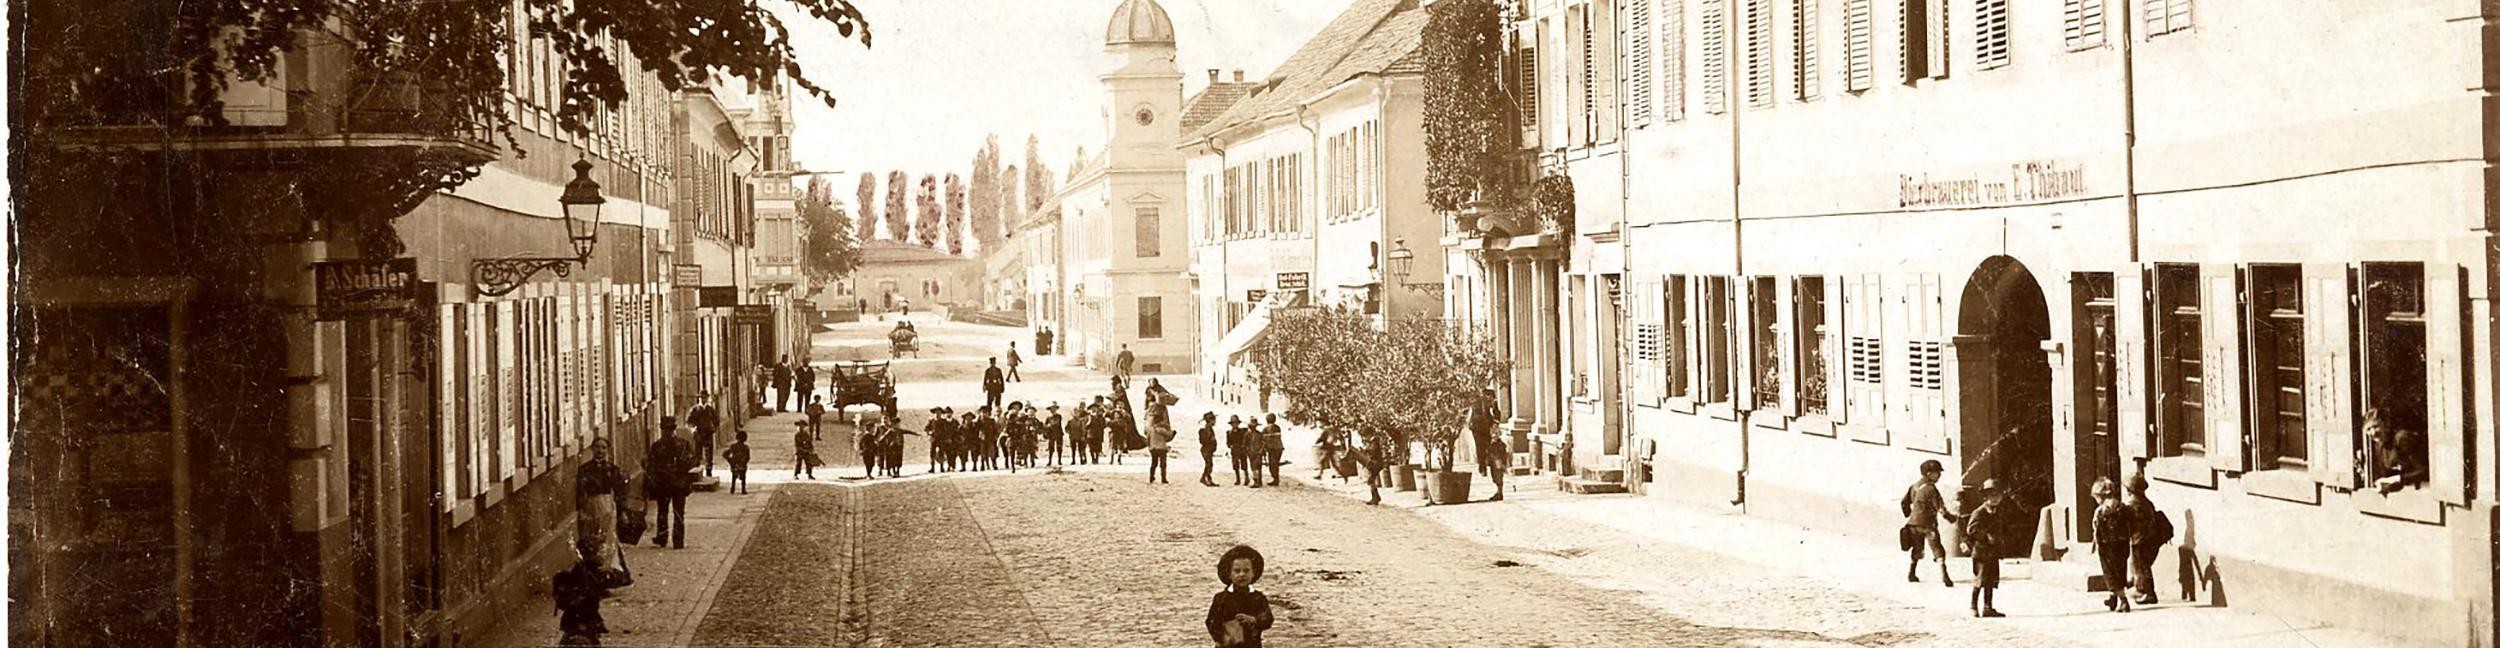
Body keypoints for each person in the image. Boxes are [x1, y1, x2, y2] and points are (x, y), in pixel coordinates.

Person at [554, 539, 629, 647]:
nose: (603, 556)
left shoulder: (589, 571)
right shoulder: (585, 574)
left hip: (582, 623)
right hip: (581, 623)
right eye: (600, 552)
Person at [576, 437, 630, 569]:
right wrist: (580, 510)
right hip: (590, 506)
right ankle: (591, 572)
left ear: (608, 450)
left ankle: (607, 572)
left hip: (607, 507)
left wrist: (622, 511)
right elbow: (579, 492)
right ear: (592, 449)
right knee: (590, 539)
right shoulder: (584, 469)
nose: (600, 450)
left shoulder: (613, 469)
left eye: (603, 448)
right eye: (597, 447)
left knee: (607, 540)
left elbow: (619, 493)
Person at [1205, 545, 1275, 648]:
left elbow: (1268, 619)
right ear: (1229, 574)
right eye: (1237, 571)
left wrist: (1254, 620)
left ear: (1253, 574)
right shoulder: (1221, 598)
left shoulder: (1258, 598)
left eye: (1246, 571)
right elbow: (1211, 622)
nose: (1242, 575)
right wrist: (1220, 638)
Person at [1900, 459, 1956, 585]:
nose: (1939, 475)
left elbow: (1904, 502)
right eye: (1937, 472)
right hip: (1928, 525)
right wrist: (1950, 518)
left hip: (1913, 525)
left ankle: (1912, 573)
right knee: (1937, 549)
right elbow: (1940, 508)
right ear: (1928, 474)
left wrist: (1910, 514)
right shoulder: (1931, 489)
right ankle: (1944, 575)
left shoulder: (1914, 486)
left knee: (1917, 549)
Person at [1962, 479, 2011, 617]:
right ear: (1985, 497)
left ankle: (1988, 608)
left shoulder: (1997, 512)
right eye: (1992, 495)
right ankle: (1973, 607)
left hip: (1993, 552)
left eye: (1998, 496)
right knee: (1980, 579)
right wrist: (1986, 536)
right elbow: (1971, 530)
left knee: (1991, 580)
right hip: (1981, 552)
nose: (1995, 498)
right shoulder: (1979, 512)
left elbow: (2002, 528)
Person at [646, 417, 694, 549]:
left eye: (669, 429)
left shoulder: (658, 446)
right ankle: (676, 540)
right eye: (667, 430)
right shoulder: (683, 444)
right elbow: (690, 462)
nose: (668, 432)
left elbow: (651, 466)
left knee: (665, 512)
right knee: (675, 512)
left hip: (667, 484)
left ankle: (664, 538)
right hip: (675, 483)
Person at [2125, 472, 2171, 605]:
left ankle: (2149, 593)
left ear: (2130, 491)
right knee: (2140, 565)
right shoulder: (2146, 502)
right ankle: (2138, 585)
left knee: (2142, 567)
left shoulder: (2134, 504)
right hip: (2150, 540)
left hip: (2140, 541)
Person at [2092, 477, 2136, 613]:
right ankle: (2113, 597)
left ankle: (2123, 600)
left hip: (2106, 546)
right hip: (2122, 543)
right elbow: (2132, 522)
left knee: (2110, 572)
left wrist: (2094, 544)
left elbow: (2096, 528)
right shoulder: (2123, 507)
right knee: (2120, 569)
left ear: (2100, 496)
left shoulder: (2100, 511)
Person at [1466, 388, 1502, 477]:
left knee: (1487, 446)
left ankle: (1486, 464)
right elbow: (1470, 411)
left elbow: (1496, 411)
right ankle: (1482, 467)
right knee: (1479, 447)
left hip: (1487, 426)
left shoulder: (1490, 395)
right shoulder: (1475, 397)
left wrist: (1495, 423)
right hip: (1477, 427)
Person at [686, 395, 721, 476]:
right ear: (699, 399)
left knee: (709, 455)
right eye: (702, 398)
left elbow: (716, 420)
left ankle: (709, 472)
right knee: (697, 454)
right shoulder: (695, 409)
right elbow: (688, 421)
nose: (703, 400)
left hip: (708, 434)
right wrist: (693, 429)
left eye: (705, 398)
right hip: (698, 435)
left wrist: (713, 428)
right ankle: (696, 473)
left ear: (707, 398)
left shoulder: (710, 409)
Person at [1146, 412, 1175, 484]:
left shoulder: (1150, 429)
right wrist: (1173, 433)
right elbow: (1169, 437)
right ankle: (1163, 478)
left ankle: (1151, 477)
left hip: (1153, 448)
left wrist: (1150, 446)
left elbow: (1147, 439)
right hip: (1162, 448)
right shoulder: (1162, 430)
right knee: (1163, 464)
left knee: (1153, 463)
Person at [1260, 414, 1286, 487]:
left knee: (1272, 464)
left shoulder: (1265, 429)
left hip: (1272, 449)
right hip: (1279, 448)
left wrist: (1263, 449)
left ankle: (1275, 479)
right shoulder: (1278, 427)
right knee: (1275, 464)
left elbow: (1263, 440)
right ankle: (1276, 478)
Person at [1197, 412, 1221, 487]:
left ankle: (1207, 478)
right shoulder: (1208, 429)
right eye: (1214, 420)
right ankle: (1205, 479)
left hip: (1207, 449)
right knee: (1209, 464)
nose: (1215, 421)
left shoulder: (1209, 428)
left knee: (1209, 464)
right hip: (1206, 449)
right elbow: (1208, 440)